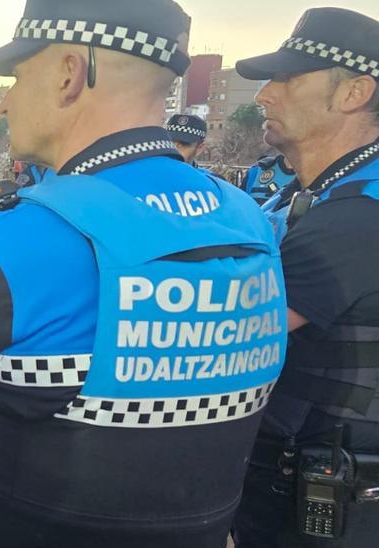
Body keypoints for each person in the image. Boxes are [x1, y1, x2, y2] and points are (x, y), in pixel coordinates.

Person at [0, 1, 287, 546]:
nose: (7, 100)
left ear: (69, 73)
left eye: (17, 77)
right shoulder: (248, 219)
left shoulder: (19, 238)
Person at [227, 8, 379, 547]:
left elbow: (224, 333)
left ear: (355, 92)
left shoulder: (358, 215)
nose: (264, 95)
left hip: (325, 499)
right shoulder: (316, 196)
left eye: (287, 78)